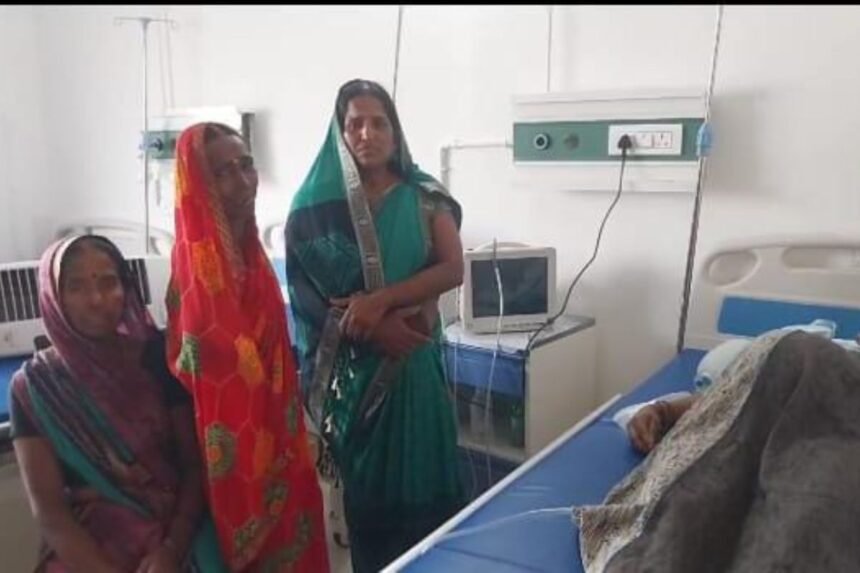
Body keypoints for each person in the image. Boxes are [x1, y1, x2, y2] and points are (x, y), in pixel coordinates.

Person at [285, 78, 466, 573]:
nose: (368, 133)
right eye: (355, 123)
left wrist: (380, 301)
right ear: (339, 133)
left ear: (395, 129)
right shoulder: (314, 209)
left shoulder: (423, 194)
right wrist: (363, 325)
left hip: (412, 370)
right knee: (369, 509)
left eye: (378, 122)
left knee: (431, 497)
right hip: (356, 378)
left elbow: (453, 268)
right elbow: (305, 293)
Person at [165, 123, 329, 572]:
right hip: (234, 477)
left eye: (247, 166)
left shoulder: (254, 261)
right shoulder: (197, 281)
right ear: (197, 184)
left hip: (286, 451)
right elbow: (213, 384)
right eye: (222, 172)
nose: (242, 182)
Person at [9, 235, 226, 572]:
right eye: (76, 286)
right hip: (90, 542)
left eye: (109, 283)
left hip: (178, 528)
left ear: (126, 288)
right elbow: (51, 514)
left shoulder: (159, 356)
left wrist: (171, 549)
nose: (96, 299)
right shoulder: (36, 387)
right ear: (55, 297)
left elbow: (194, 468)